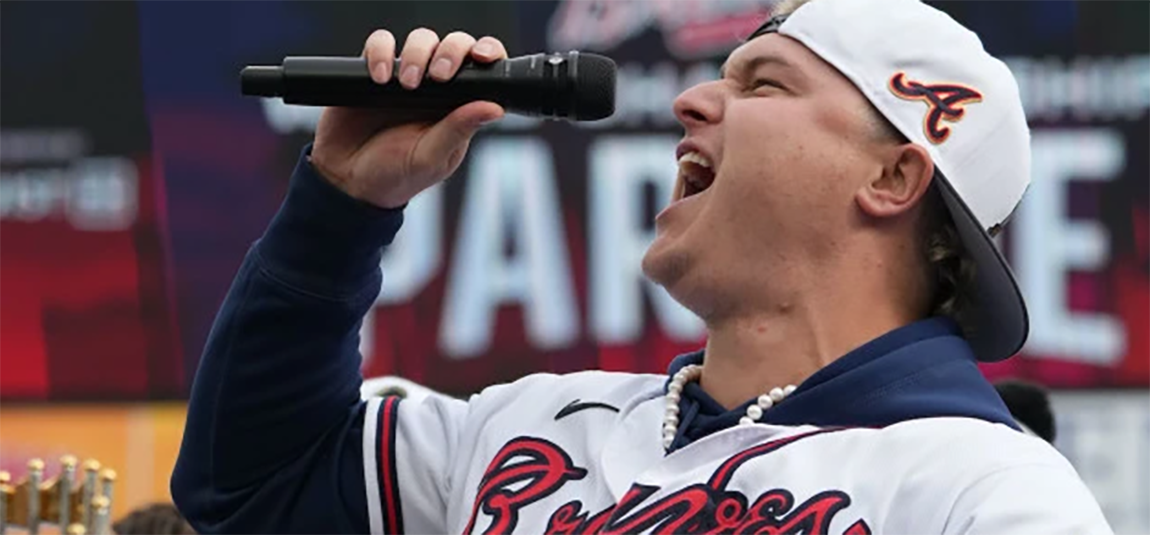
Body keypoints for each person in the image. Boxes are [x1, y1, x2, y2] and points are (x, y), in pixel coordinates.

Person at [171, 0, 1114, 533]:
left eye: (763, 84)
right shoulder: (525, 423)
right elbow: (250, 486)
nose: (693, 100)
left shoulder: (987, 491)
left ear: (893, 175)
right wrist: (340, 206)